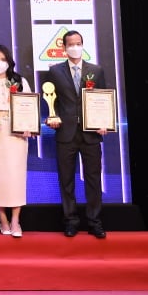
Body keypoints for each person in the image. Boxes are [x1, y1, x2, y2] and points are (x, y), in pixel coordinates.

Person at [44, 30, 111, 238]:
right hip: (65, 134)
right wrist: (51, 117)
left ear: (82, 45)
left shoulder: (96, 70)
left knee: (93, 179)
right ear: (64, 48)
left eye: (78, 43)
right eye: (71, 44)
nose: (75, 47)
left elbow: (102, 99)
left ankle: (94, 221)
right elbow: (50, 102)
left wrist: (103, 122)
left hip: (91, 134)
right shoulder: (54, 72)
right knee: (66, 180)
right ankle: (71, 221)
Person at [0, 43, 34, 237]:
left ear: (9, 61)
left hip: (16, 134)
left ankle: (16, 220)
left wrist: (28, 126)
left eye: (3, 59)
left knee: (17, 177)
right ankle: (3, 219)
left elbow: (29, 106)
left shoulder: (20, 81)